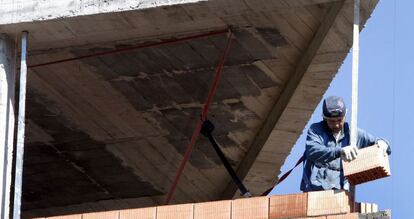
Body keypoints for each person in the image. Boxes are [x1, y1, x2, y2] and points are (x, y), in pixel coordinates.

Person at [300, 96, 391, 192]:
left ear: (345, 117)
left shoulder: (354, 134)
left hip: (341, 191)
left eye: (339, 120)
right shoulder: (316, 130)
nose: (336, 125)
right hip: (316, 189)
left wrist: (383, 144)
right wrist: (340, 151)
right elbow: (313, 151)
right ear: (324, 118)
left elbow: (378, 143)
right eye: (332, 121)